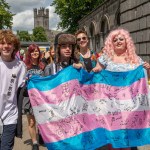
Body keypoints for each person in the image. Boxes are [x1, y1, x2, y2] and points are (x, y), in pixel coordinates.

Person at [93, 28, 150, 150]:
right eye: (115, 40)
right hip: (110, 105)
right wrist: (96, 70)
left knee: (126, 139)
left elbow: (141, 81)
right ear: (111, 43)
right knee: (112, 139)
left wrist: (147, 69)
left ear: (126, 42)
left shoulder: (135, 59)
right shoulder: (105, 58)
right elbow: (96, 73)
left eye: (121, 39)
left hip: (129, 106)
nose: (118, 41)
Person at [0, 30, 26, 150]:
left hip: (10, 115)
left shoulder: (20, 66)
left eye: (9, 43)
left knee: (6, 147)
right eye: (2, 43)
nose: (6, 46)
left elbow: (24, 88)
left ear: (14, 46)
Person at [23, 44, 47, 150]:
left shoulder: (43, 65)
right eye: (32, 51)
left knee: (43, 120)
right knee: (32, 121)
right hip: (28, 97)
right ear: (29, 53)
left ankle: (42, 135)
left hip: (41, 98)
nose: (35, 53)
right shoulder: (24, 66)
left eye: (36, 51)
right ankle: (35, 142)